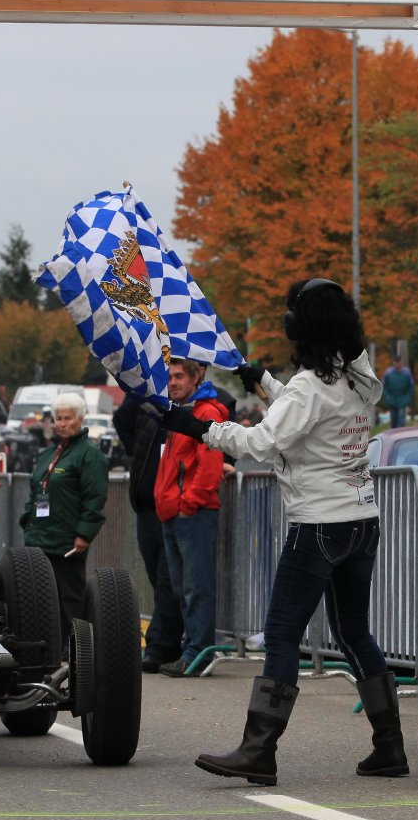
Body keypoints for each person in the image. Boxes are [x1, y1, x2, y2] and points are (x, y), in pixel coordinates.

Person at [163, 277, 402, 784]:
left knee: (282, 634)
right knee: (354, 631)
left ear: (300, 329)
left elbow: (262, 442)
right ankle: (390, 746)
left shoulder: (309, 387)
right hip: (361, 519)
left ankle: (259, 750)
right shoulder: (360, 376)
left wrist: (199, 428)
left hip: (317, 525)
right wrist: (263, 381)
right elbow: (305, 410)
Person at [154, 358, 231, 679]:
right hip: (177, 512)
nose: (172, 382)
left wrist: (189, 502)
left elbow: (209, 465)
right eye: (169, 377)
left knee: (196, 587)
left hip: (192, 513)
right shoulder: (184, 412)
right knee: (184, 587)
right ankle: (193, 649)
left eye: (179, 376)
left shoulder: (205, 413)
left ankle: (198, 653)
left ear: (195, 378)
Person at [17, 392, 109, 644]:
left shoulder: (89, 456)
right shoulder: (48, 454)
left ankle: (76, 648)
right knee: (42, 598)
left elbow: (95, 498)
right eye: (58, 418)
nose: (62, 423)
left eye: (68, 418)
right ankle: (49, 647)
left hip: (67, 542)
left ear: (80, 419)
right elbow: (36, 490)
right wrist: (27, 519)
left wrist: (84, 534)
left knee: (70, 596)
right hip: (39, 538)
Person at [114, 392, 184, 674]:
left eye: (178, 376)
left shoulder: (197, 408)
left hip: (177, 508)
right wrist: (145, 385)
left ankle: (159, 645)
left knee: (168, 580)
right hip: (147, 507)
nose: (173, 381)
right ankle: (170, 639)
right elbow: (122, 420)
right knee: (157, 577)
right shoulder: (147, 406)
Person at [380, 354, 414, 429]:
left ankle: (400, 432)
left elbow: (411, 386)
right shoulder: (388, 372)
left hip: (402, 399)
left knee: (401, 419)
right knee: (393, 420)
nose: (397, 364)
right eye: (396, 362)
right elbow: (383, 385)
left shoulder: (406, 372)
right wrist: (387, 396)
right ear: (393, 362)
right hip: (392, 399)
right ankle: (394, 432)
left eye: (398, 362)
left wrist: (407, 398)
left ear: (400, 362)